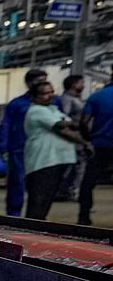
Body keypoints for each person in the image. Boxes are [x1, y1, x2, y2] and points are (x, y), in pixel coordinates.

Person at [24, 82, 91, 220]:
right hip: (43, 161)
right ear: (34, 97)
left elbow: (68, 126)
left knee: (46, 199)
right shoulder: (37, 110)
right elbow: (61, 127)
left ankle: (38, 225)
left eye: (51, 92)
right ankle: (32, 227)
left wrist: (72, 125)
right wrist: (84, 142)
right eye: (45, 93)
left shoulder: (53, 109)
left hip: (54, 160)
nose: (50, 95)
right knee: (39, 201)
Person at [0, 69, 60, 216]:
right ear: (28, 83)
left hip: (45, 151)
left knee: (42, 186)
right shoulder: (17, 104)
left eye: (44, 80)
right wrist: (3, 148)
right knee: (17, 184)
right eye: (39, 81)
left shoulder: (54, 103)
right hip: (20, 150)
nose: (42, 84)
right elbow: (6, 125)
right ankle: (14, 217)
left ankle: (36, 218)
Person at [79, 74, 113, 225]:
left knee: (88, 182)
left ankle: (83, 215)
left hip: (100, 144)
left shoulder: (96, 97)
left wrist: (88, 140)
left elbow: (84, 122)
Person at [60, 75, 87, 201]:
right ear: (74, 84)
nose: (83, 85)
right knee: (74, 165)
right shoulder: (67, 99)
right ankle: (68, 190)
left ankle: (69, 190)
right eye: (81, 83)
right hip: (72, 138)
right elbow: (63, 117)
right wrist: (74, 126)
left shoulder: (76, 99)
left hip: (77, 137)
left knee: (77, 165)